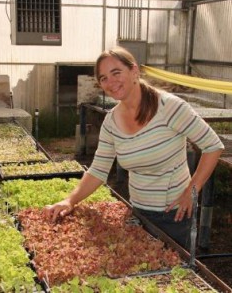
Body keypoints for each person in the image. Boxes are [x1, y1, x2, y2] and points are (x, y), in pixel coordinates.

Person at [44, 47, 224, 249]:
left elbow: (213, 145)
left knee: (174, 273)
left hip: (175, 213)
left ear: (134, 72)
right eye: (103, 78)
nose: (110, 82)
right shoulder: (111, 122)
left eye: (116, 72)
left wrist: (192, 190)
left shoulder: (169, 107)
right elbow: (98, 170)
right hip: (138, 211)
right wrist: (70, 200)